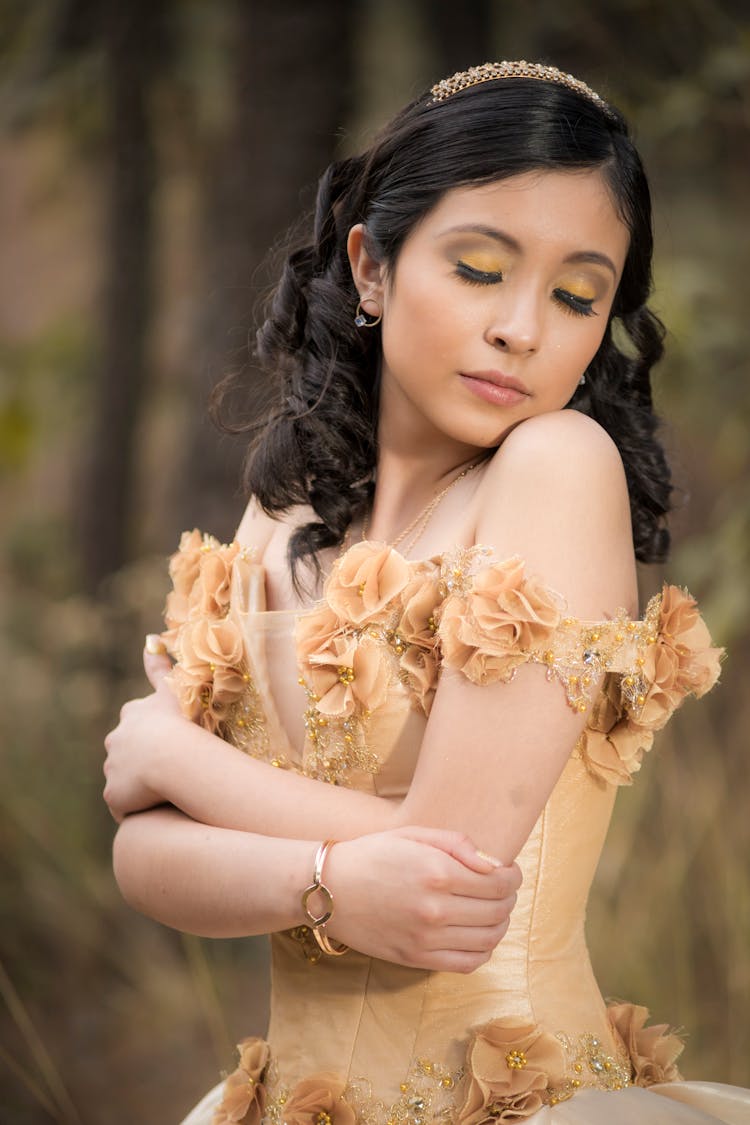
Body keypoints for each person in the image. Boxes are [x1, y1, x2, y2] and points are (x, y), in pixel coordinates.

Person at [103, 61, 749, 1124]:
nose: (524, 329)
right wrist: (327, 880)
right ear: (372, 265)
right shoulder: (283, 515)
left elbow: (448, 878)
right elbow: (141, 856)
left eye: (577, 294)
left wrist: (179, 758)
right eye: (480, 269)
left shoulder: (555, 464)